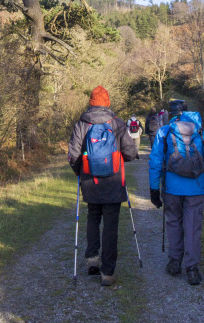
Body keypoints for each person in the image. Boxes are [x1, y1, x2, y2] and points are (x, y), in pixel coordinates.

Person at [68, 85, 137, 286]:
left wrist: (79, 171)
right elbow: (130, 152)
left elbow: (73, 155)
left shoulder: (82, 124)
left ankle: (92, 260)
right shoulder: (117, 123)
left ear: (91, 102)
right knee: (110, 225)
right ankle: (107, 272)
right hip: (114, 181)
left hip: (90, 181)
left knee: (92, 217)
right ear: (107, 102)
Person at [149, 111, 204, 285]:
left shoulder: (164, 131)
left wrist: (154, 188)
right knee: (193, 228)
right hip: (196, 188)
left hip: (172, 189)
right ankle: (192, 269)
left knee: (173, 222)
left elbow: (155, 161)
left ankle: (175, 262)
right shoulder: (199, 131)